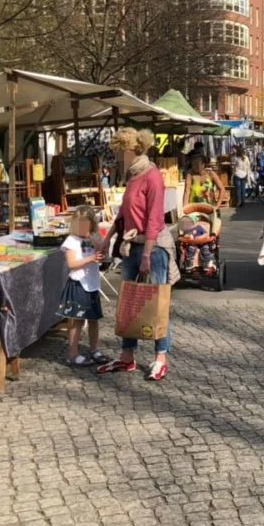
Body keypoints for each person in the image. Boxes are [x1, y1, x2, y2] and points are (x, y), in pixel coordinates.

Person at [98, 127, 180, 381]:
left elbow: (155, 218)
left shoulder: (152, 175)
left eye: (118, 151)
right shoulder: (132, 176)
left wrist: (146, 254)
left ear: (130, 150)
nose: (116, 156)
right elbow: (123, 214)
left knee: (156, 303)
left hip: (152, 248)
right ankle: (127, 356)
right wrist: (108, 239)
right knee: (129, 304)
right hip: (132, 246)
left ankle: (160, 357)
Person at [58, 204, 107, 367]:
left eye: (85, 224)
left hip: (92, 283)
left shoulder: (92, 237)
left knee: (94, 319)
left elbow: (102, 250)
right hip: (78, 283)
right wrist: (90, 259)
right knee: (77, 320)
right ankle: (72, 354)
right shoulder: (71, 241)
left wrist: (92, 238)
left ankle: (94, 349)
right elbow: (71, 264)